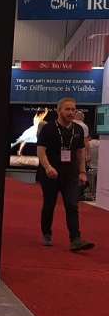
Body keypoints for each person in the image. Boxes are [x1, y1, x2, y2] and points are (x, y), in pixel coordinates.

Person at [37, 97, 94, 252]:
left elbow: (80, 152)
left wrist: (82, 171)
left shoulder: (78, 129)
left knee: (72, 204)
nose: (70, 112)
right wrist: (48, 167)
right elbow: (41, 151)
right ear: (58, 110)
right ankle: (46, 234)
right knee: (49, 204)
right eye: (67, 109)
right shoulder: (48, 128)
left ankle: (75, 239)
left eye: (73, 110)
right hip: (51, 174)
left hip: (70, 174)